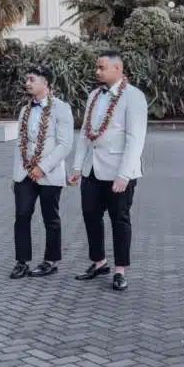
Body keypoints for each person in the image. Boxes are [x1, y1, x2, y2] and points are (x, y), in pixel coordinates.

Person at [68, 50, 148, 291]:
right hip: (92, 170)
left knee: (119, 220)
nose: (97, 71)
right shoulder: (94, 95)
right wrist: (76, 167)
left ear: (118, 69)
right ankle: (99, 261)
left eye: (102, 67)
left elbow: (135, 138)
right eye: (97, 67)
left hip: (118, 172)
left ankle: (120, 270)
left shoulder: (134, 97)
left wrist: (124, 174)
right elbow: (85, 134)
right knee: (90, 216)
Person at [9, 65, 74, 279]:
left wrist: (41, 168)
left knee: (50, 217)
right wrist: (16, 174)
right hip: (25, 173)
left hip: (50, 173)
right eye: (27, 79)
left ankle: (51, 261)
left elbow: (65, 145)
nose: (27, 83)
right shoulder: (25, 110)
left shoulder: (61, 108)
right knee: (21, 216)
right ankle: (22, 261)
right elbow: (20, 143)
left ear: (45, 83)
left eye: (32, 79)